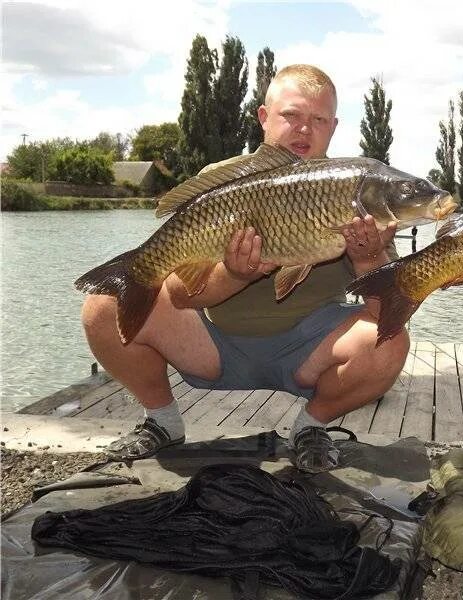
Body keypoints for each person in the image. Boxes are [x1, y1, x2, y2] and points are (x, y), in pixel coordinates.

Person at [81, 64, 409, 473]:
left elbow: (387, 313)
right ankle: (162, 422)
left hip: (309, 350)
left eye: (318, 119)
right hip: (215, 345)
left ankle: (310, 427)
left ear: (334, 126)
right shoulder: (219, 182)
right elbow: (182, 295)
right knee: (104, 304)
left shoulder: (355, 191)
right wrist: (239, 272)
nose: (305, 130)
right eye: (292, 115)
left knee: (390, 342)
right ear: (263, 117)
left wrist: (367, 257)